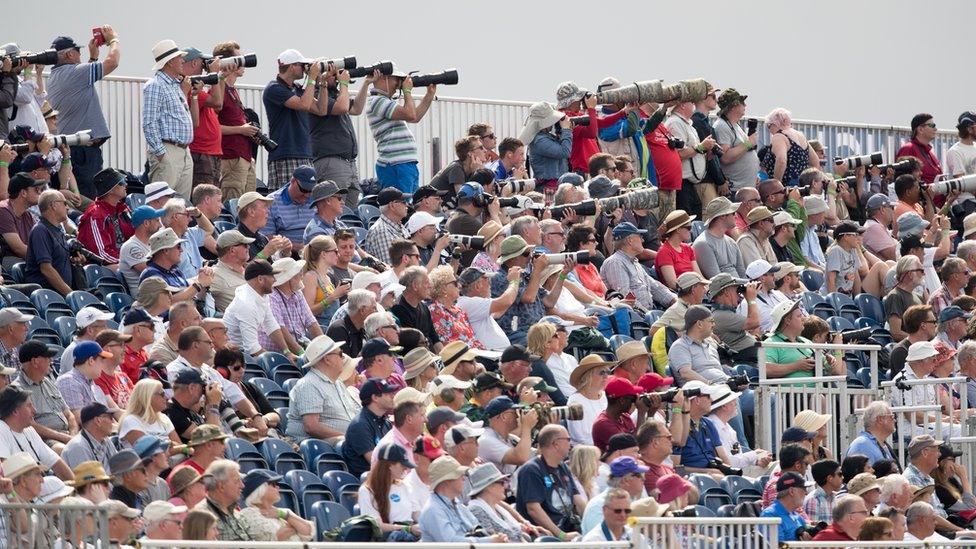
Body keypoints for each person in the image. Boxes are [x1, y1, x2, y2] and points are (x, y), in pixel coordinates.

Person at [47, 29, 120, 198]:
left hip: (75, 149)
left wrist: (93, 58)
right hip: (83, 152)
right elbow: (112, 62)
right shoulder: (74, 73)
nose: (80, 54)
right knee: (90, 198)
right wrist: (113, 40)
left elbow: (82, 83)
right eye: (78, 51)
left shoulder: (56, 76)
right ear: (69, 55)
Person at [366, 66, 436, 193]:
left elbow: (414, 117)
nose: (398, 84)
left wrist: (429, 95)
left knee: (411, 206)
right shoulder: (377, 101)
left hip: (404, 163)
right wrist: (407, 91)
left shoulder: (385, 101)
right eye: (396, 79)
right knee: (401, 205)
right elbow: (410, 114)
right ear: (384, 78)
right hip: (395, 164)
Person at [285, 335, 360, 443]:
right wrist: (348, 436)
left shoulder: (338, 383)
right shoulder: (309, 384)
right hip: (317, 445)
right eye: (340, 354)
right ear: (327, 359)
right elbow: (312, 427)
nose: (343, 358)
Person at [142, 40, 193, 199]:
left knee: (180, 205)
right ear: (170, 62)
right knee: (162, 203)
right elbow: (149, 123)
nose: (182, 61)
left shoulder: (175, 85)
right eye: (179, 57)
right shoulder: (155, 85)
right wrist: (161, 154)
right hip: (168, 149)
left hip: (183, 151)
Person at [515, 424, 584, 540]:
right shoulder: (532, 470)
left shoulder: (562, 467)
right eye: (568, 440)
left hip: (568, 530)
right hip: (547, 537)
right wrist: (562, 535)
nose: (570, 444)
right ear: (556, 444)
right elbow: (533, 509)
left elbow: (578, 501)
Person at [418, 455, 507, 543]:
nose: (463, 479)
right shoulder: (433, 510)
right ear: (447, 481)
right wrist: (489, 541)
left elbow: (477, 528)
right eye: (459, 475)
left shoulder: (457, 504)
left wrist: (493, 538)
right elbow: (451, 543)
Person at [224, 260, 296, 360]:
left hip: (247, 352)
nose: (274, 280)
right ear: (260, 279)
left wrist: (287, 353)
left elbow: (271, 326)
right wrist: (280, 361)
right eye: (271, 276)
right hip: (236, 357)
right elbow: (252, 349)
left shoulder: (261, 294)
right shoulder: (246, 304)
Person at [11, 340, 75, 448]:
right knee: (63, 450)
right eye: (47, 357)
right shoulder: (18, 389)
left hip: (67, 435)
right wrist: (66, 439)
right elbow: (30, 425)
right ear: (35, 362)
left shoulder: (48, 381)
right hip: (44, 442)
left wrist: (74, 436)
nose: (51, 360)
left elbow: (69, 415)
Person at [601, 223, 676, 311]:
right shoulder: (615, 262)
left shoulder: (635, 262)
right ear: (630, 240)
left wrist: (674, 300)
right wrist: (648, 314)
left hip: (649, 314)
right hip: (637, 319)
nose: (643, 240)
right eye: (640, 236)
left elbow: (655, 287)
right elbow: (626, 299)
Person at [357, 443, 422, 540]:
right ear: (390, 465)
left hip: (411, 536)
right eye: (402, 464)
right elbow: (378, 526)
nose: (406, 468)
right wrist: (408, 529)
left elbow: (417, 515)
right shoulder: (366, 490)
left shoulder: (404, 486)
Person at [238, 469, 313, 541]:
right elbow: (269, 540)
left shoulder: (284, 512)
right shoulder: (247, 514)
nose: (278, 487)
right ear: (260, 490)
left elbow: (309, 532)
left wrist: (286, 516)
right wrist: (295, 527)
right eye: (273, 485)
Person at [456, 266, 515, 351]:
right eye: (487, 280)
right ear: (477, 286)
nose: (490, 284)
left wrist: (514, 289)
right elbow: (506, 301)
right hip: (490, 358)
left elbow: (499, 311)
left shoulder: (472, 303)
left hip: (497, 355)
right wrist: (514, 282)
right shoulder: (468, 302)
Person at [478, 396, 537, 475]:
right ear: (504, 416)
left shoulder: (511, 438)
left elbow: (536, 454)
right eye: (514, 412)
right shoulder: (486, 439)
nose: (517, 416)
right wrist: (527, 427)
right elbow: (521, 458)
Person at [713, 88, 759, 190]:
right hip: (735, 189)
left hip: (745, 187)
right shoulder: (722, 126)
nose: (745, 105)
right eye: (742, 103)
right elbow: (725, 157)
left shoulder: (734, 125)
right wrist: (748, 143)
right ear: (733, 106)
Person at [761, 108, 818, 185]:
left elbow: (781, 161)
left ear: (775, 123)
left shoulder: (779, 136)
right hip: (802, 186)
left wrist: (776, 185)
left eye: (769, 125)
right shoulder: (801, 136)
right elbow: (815, 162)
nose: (769, 130)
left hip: (786, 187)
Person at [198, 459, 251, 541]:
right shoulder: (202, 515)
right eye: (237, 481)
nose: (242, 485)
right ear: (221, 486)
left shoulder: (237, 514)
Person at [694, 197, 746, 278]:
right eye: (733, 213)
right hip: (725, 289)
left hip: (739, 287)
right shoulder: (703, 244)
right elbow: (718, 281)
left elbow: (742, 274)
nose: (736, 216)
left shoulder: (731, 241)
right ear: (722, 216)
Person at [567, 356, 611, 445]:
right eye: (602, 372)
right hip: (587, 452)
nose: (606, 376)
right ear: (588, 376)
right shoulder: (575, 401)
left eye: (607, 372)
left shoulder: (605, 396)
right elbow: (580, 436)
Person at [61, 402, 117, 470]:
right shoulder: (78, 447)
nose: (113, 422)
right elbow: (88, 479)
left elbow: (118, 467)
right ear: (98, 421)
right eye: (110, 418)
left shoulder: (106, 440)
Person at [760, 471, 811, 542]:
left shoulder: (797, 516)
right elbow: (777, 546)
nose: (806, 493)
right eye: (804, 489)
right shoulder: (770, 515)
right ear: (791, 491)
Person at [896, 114, 944, 184]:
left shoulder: (929, 151)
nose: (935, 129)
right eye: (932, 125)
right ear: (920, 129)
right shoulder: (908, 149)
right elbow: (903, 182)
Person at [804, 459, 843, 524]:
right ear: (830, 478)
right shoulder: (813, 500)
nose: (843, 477)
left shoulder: (835, 498)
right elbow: (813, 531)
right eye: (840, 474)